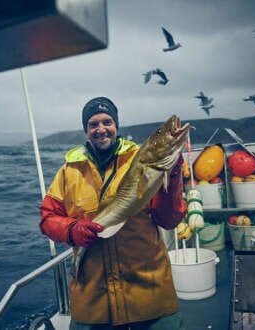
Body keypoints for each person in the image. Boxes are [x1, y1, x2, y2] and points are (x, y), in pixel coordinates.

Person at [39, 97, 187, 330]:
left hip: (149, 292)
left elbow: (169, 219)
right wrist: (72, 229)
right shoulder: (68, 172)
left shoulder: (141, 159)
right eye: (93, 124)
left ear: (116, 125)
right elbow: (48, 219)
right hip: (93, 301)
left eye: (107, 122)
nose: (101, 129)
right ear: (86, 130)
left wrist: (174, 173)